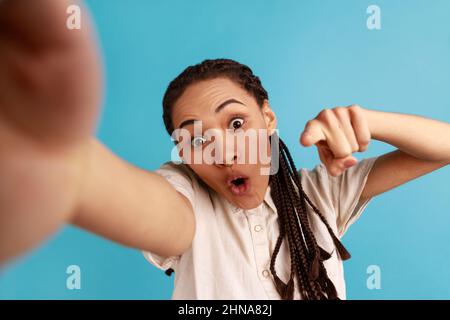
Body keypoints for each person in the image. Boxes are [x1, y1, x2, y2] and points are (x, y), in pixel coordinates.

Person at [1, 0, 449, 299]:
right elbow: (154, 212)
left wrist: (368, 122)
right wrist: (68, 168)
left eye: (236, 123)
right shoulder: (187, 199)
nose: (222, 152)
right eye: (195, 139)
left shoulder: (321, 195)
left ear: (268, 120)